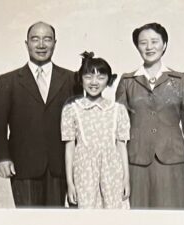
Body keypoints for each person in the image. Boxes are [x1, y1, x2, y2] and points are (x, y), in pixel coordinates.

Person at [0, 21, 81, 207]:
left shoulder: (72, 79)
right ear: (27, 44)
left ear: (55, 43)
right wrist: (2, 158)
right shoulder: (8, 80)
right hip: (23, 166)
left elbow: (79, 122)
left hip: (60, 166)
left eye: (47, 39)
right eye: (35, 39)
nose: (41, 45)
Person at [116, 22, 184, 209]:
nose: (149, 47)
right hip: (137, 160)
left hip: (173, 158)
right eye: (143, 43)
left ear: (164, 45)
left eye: (154, 41)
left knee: (176, 212)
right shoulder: (127, 81)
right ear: (137, 47)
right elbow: (119, 127)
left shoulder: (179, 79)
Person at [61, 52, 130, 209]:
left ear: (108, 80)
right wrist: (70, 183)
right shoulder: (71, 109)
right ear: (81, 79)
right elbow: (70, 147)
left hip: (112, 171)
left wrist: (126, 178)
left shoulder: (118, 110)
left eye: (100, 77)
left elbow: (121, 146)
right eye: (88, 77)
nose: (94, 82)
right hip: (84, 172)